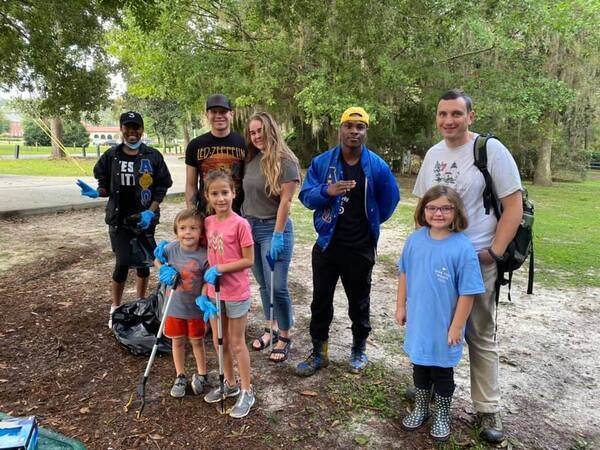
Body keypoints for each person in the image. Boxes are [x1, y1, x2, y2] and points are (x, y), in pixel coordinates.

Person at [413, 89, 523, 443]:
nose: (449, 121)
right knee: (431, 324)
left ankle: (487, 407)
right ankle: (426, 391)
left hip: (477, 259)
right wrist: (422, 251)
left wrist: (493, 251)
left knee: (479, 331)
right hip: (437, 260)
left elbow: (514, 206)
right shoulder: (432, 155)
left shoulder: (491, 151)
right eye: (443, 114)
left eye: (456, 114)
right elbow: (423, 208)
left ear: (470, 117)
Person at [295, 107, 400, 377]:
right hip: (327, 245)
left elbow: (390, 199)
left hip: (360, 247)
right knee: (320, 302)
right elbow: (306, 196)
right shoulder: (322, 163)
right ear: (340, 129)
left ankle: (358, 349)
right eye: (349, 125)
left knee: (359, 302)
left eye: (360, 127)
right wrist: (326, 191)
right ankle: (320, 352)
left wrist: (372, 221)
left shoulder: (376, 165)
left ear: (366, 131)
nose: (354, 131)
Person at [396, 185, 485, 442]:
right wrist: (401, 306)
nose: (438, 213)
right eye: (432, 207)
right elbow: (404, 274)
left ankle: (442, 413)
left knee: (442, 371)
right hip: (420, 322)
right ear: (423, 210)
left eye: (446, 208)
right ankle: (422, 408)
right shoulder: (414, 240)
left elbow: (469, 293)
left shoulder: (463, 248)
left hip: (445, 325)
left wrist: (457, 327)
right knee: (420, 367)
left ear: (456, 212)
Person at [76, 111, 172, 329]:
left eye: (136, 128)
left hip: (144, 220)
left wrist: (151, 211)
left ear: (142, 130)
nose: (132, 132)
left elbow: (162, 186)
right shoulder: (111, 156)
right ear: (121, 129)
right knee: (123, 261)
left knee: (145, 263)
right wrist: (97, 192)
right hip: (119, 220)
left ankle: (139, 304)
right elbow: (104, 184)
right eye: (127, 128)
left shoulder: (153, 156)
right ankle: (116, 308)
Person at [196, 170, 255, 418]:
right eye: (214, 193)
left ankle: (247, 389)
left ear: (234, 193)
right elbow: (195, 246)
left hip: (236, 292)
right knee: (219, 341)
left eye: (225, 192)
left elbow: (248, 260)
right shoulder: (208, 223)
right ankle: (229, 384)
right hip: (213, 293)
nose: (220, 198)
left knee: (236, 342)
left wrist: (220, 268)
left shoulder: (241, 224)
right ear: (207, 197)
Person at [242, 112, 301, 362]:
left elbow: (286, 201)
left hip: (273, 230)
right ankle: (270, 328)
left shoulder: (286, 161)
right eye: (252, 132)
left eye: (260, 131)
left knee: (277, 286)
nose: (256, 136)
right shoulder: (252, 159)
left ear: (271, 129)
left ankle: (284, 335)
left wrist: (277, 234)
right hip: (250, 229)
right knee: (264, 285)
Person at [153, 208, 210, 397]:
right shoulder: (170, 249)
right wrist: (162, 268)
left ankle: (202, 374)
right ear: (176, 231)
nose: (187, 232)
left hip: (195, 309)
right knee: (177, 342)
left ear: (201, 232)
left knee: (197, 342)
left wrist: (204, 296)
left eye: (193, 228)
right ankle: (180, 375)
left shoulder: (205, 255)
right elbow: (157, 261)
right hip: (174, 307)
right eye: (183, 228)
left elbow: (207, 281)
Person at [185, 93, 246, 214]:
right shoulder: (195, 145)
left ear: (231, 115)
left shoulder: (243, 142)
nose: (218, 116)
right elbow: (191, 184)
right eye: (213, 111)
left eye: (223, 111)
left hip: (239, 215)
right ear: (207, 115)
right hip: (206, 215)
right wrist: (192, 213)